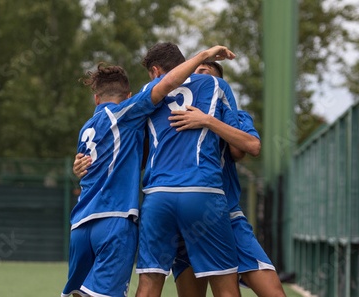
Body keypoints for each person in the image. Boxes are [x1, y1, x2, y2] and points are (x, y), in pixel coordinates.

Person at [61, 45, 236, 297]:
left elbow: (88, 164)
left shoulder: (87, 127)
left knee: (146, 284)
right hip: (119, 217)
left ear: (96, 98)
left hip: (83, 221)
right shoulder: (130, 110)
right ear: (129, 94)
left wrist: (78, 166)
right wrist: (203, 55)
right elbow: (165, 86)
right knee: (224, 284)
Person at [169, 62, 287, 297]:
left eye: (208, 73)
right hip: (188, 218)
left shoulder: (235, 116)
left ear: (220, 87)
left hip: (226, 213)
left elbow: (247, 147)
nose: (200, 74)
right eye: (196, 71)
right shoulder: (172, 115)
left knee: (273, 292)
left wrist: (208, 120)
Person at [135, 42, 241, 297]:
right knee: (225, 285)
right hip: (202, 192)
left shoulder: (149, 91)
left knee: (149, 284)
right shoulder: (217, 85)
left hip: (158, 196)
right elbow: (238, 150)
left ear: (155, 71)